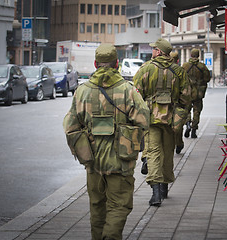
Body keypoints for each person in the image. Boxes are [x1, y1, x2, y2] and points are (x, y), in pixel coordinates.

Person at [63, 43, 150, 240]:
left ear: (95, 64)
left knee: (97, 209)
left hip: (93, 164)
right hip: (120, 163)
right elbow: (144, 121)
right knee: (119, 207)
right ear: (117, 64)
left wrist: (86, 154)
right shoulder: (128, 91)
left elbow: (70, 127)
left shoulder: (82, 91)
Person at [133, 38, 191, 207]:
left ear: (158, 51)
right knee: (167, 153)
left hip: (151, 120)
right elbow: (186, 97)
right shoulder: (179, 71)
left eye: (154, 49)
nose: (152, 51)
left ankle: (156, 192)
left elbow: (136, 96)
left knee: (153, 153)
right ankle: (164, 188)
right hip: (172, 121)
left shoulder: (145, 69)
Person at [182, 48, 211, 138]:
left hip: (187, 93)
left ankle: (187, 124)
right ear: (198, 55)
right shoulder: (202, 66)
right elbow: (207, 79)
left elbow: (181, 77)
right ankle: (194, 130)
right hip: (198, 93)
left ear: (191, 55)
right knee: (197, 111)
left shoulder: (185, 66)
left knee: (187, 110)